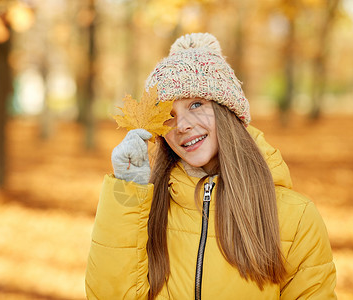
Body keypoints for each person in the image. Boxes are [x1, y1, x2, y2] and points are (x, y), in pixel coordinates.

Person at [85, 33, 337, 299]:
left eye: (196, 104)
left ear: (227, 111)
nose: (182, 125)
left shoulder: (296, 218)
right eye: (168, 116)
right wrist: (127, 194)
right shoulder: (147, 209)